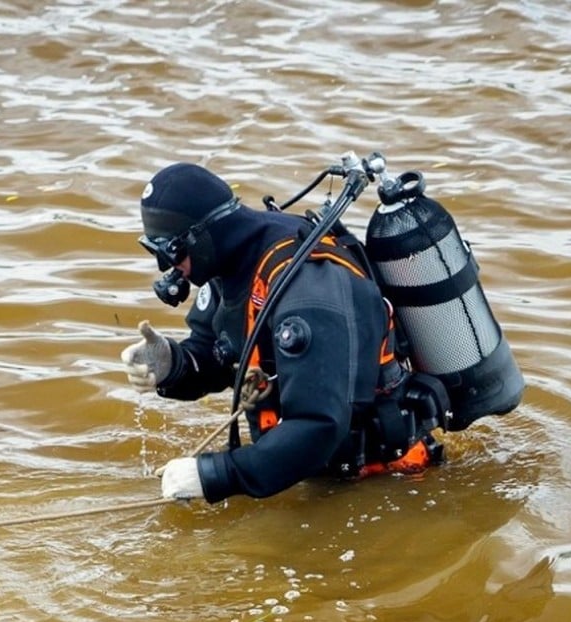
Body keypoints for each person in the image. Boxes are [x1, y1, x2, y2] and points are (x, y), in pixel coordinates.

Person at [121, 162, 444, 504]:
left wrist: (217, 475)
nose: (167, 268)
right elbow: (219, 352)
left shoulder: (307, 290)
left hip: (389, 484)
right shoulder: (231, 260)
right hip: (311, 472)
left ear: (202, 235)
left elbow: (320, 425)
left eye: (171, 251)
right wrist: (172, 364)